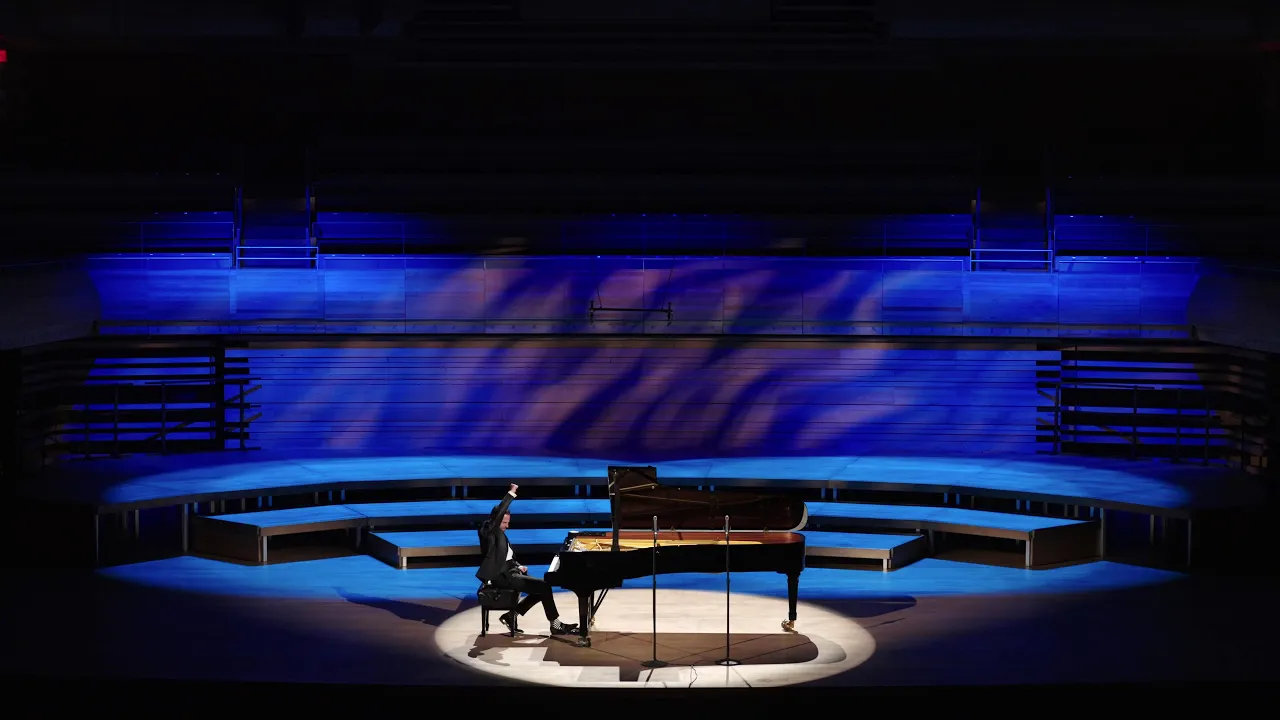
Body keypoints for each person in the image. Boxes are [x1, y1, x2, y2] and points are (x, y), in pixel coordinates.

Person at [477, 483, 578, 636]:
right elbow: (497, 518)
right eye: (504, 522)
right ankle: (555, 625)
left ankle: (511, 615)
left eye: (508, 523)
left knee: (541, 589)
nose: (507, 526)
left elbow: (506, 557)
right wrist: (511, 493)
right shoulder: (487, 531)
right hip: (501, 577)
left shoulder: (500, 534)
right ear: (496, 520)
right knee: (544, 586)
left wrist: (518, 566)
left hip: (511, 572)